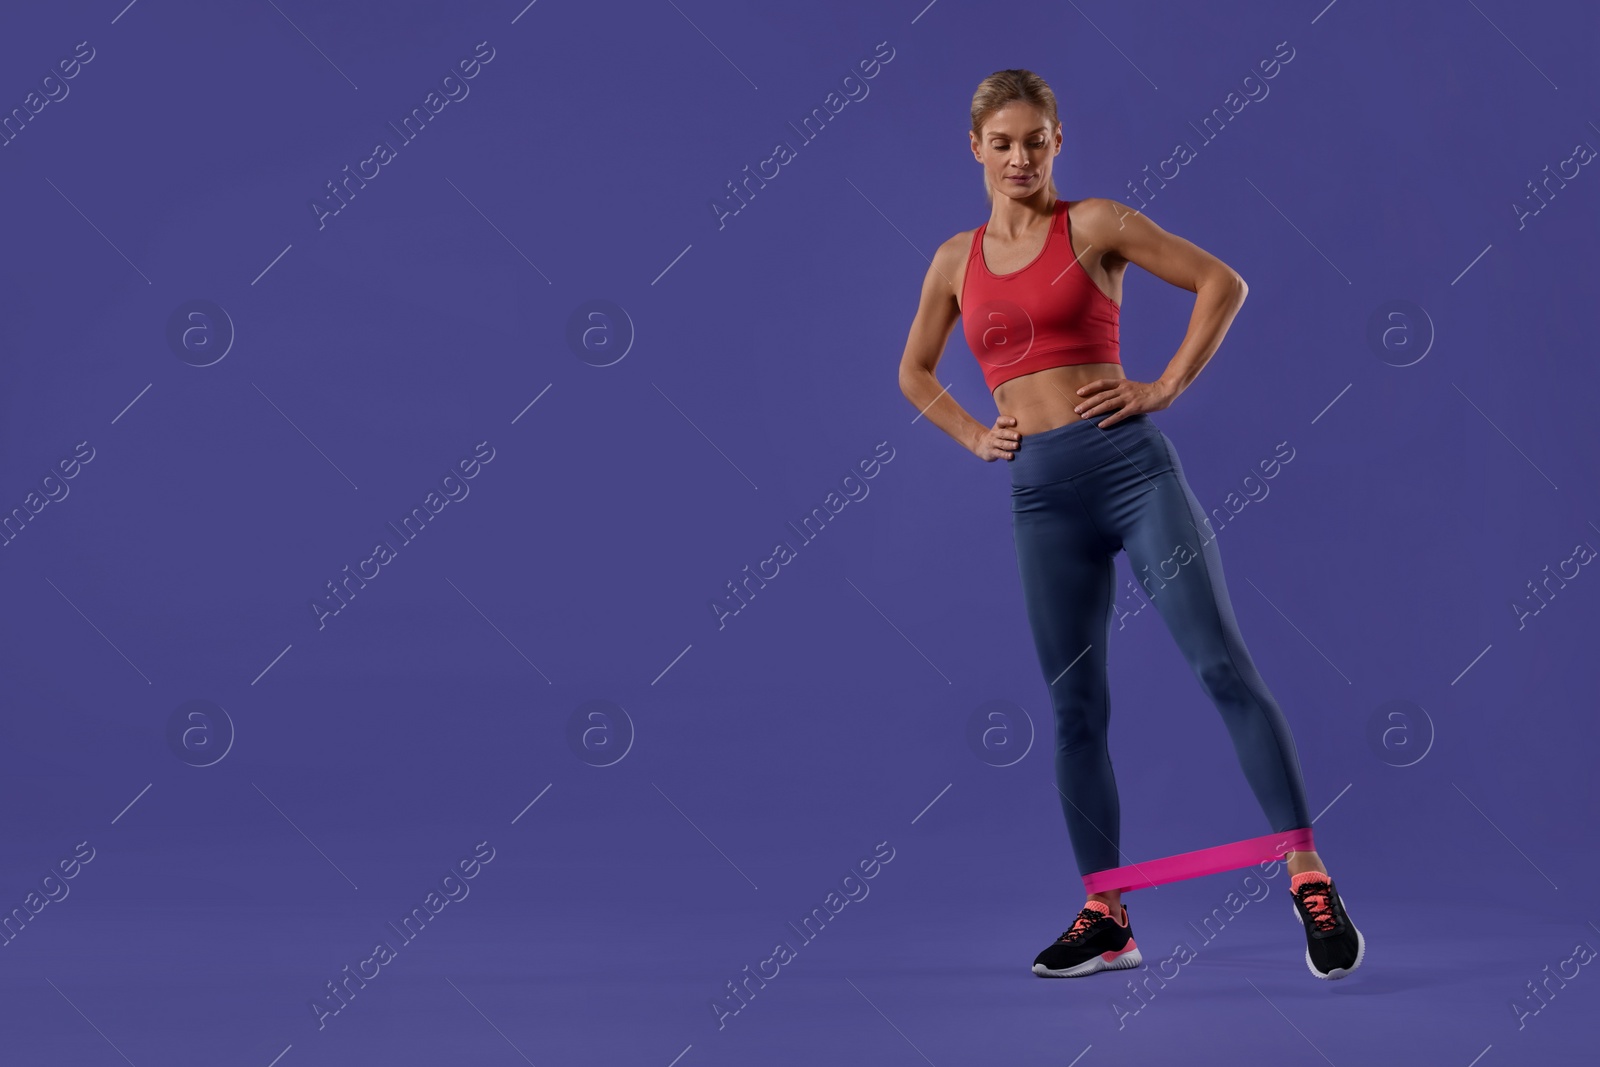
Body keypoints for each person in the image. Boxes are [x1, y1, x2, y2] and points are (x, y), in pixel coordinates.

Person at [896, 69, 1363, 981]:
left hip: (1131, 473)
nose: (1021, 157)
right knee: (1075, 710)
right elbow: (915, 369)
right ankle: (1106, 914)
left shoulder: (1095, 225)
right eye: (1004, 143)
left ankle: (1309, 875)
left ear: (1058, 141)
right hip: (1040, 497)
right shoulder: (955, 260)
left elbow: (1220, 282)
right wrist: (971, 432)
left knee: (1221, 662)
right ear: (976, 149)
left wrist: (1162, 385)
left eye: (1037, 140)